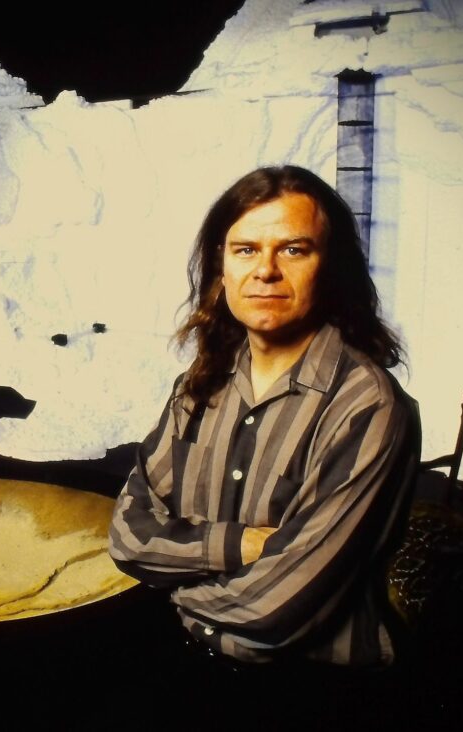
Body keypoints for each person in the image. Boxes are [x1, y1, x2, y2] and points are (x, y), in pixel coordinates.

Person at [108, 165, 420, 668]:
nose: (265, 271)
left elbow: (275, 609)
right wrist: (243, 544)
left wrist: (169, 587)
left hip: (310, 689)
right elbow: (128, 536)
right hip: (188, 665)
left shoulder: (367, 406)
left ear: (331, 267)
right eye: (246, 249)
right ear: (221, 267)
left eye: (293, 250)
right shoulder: (200, 384)